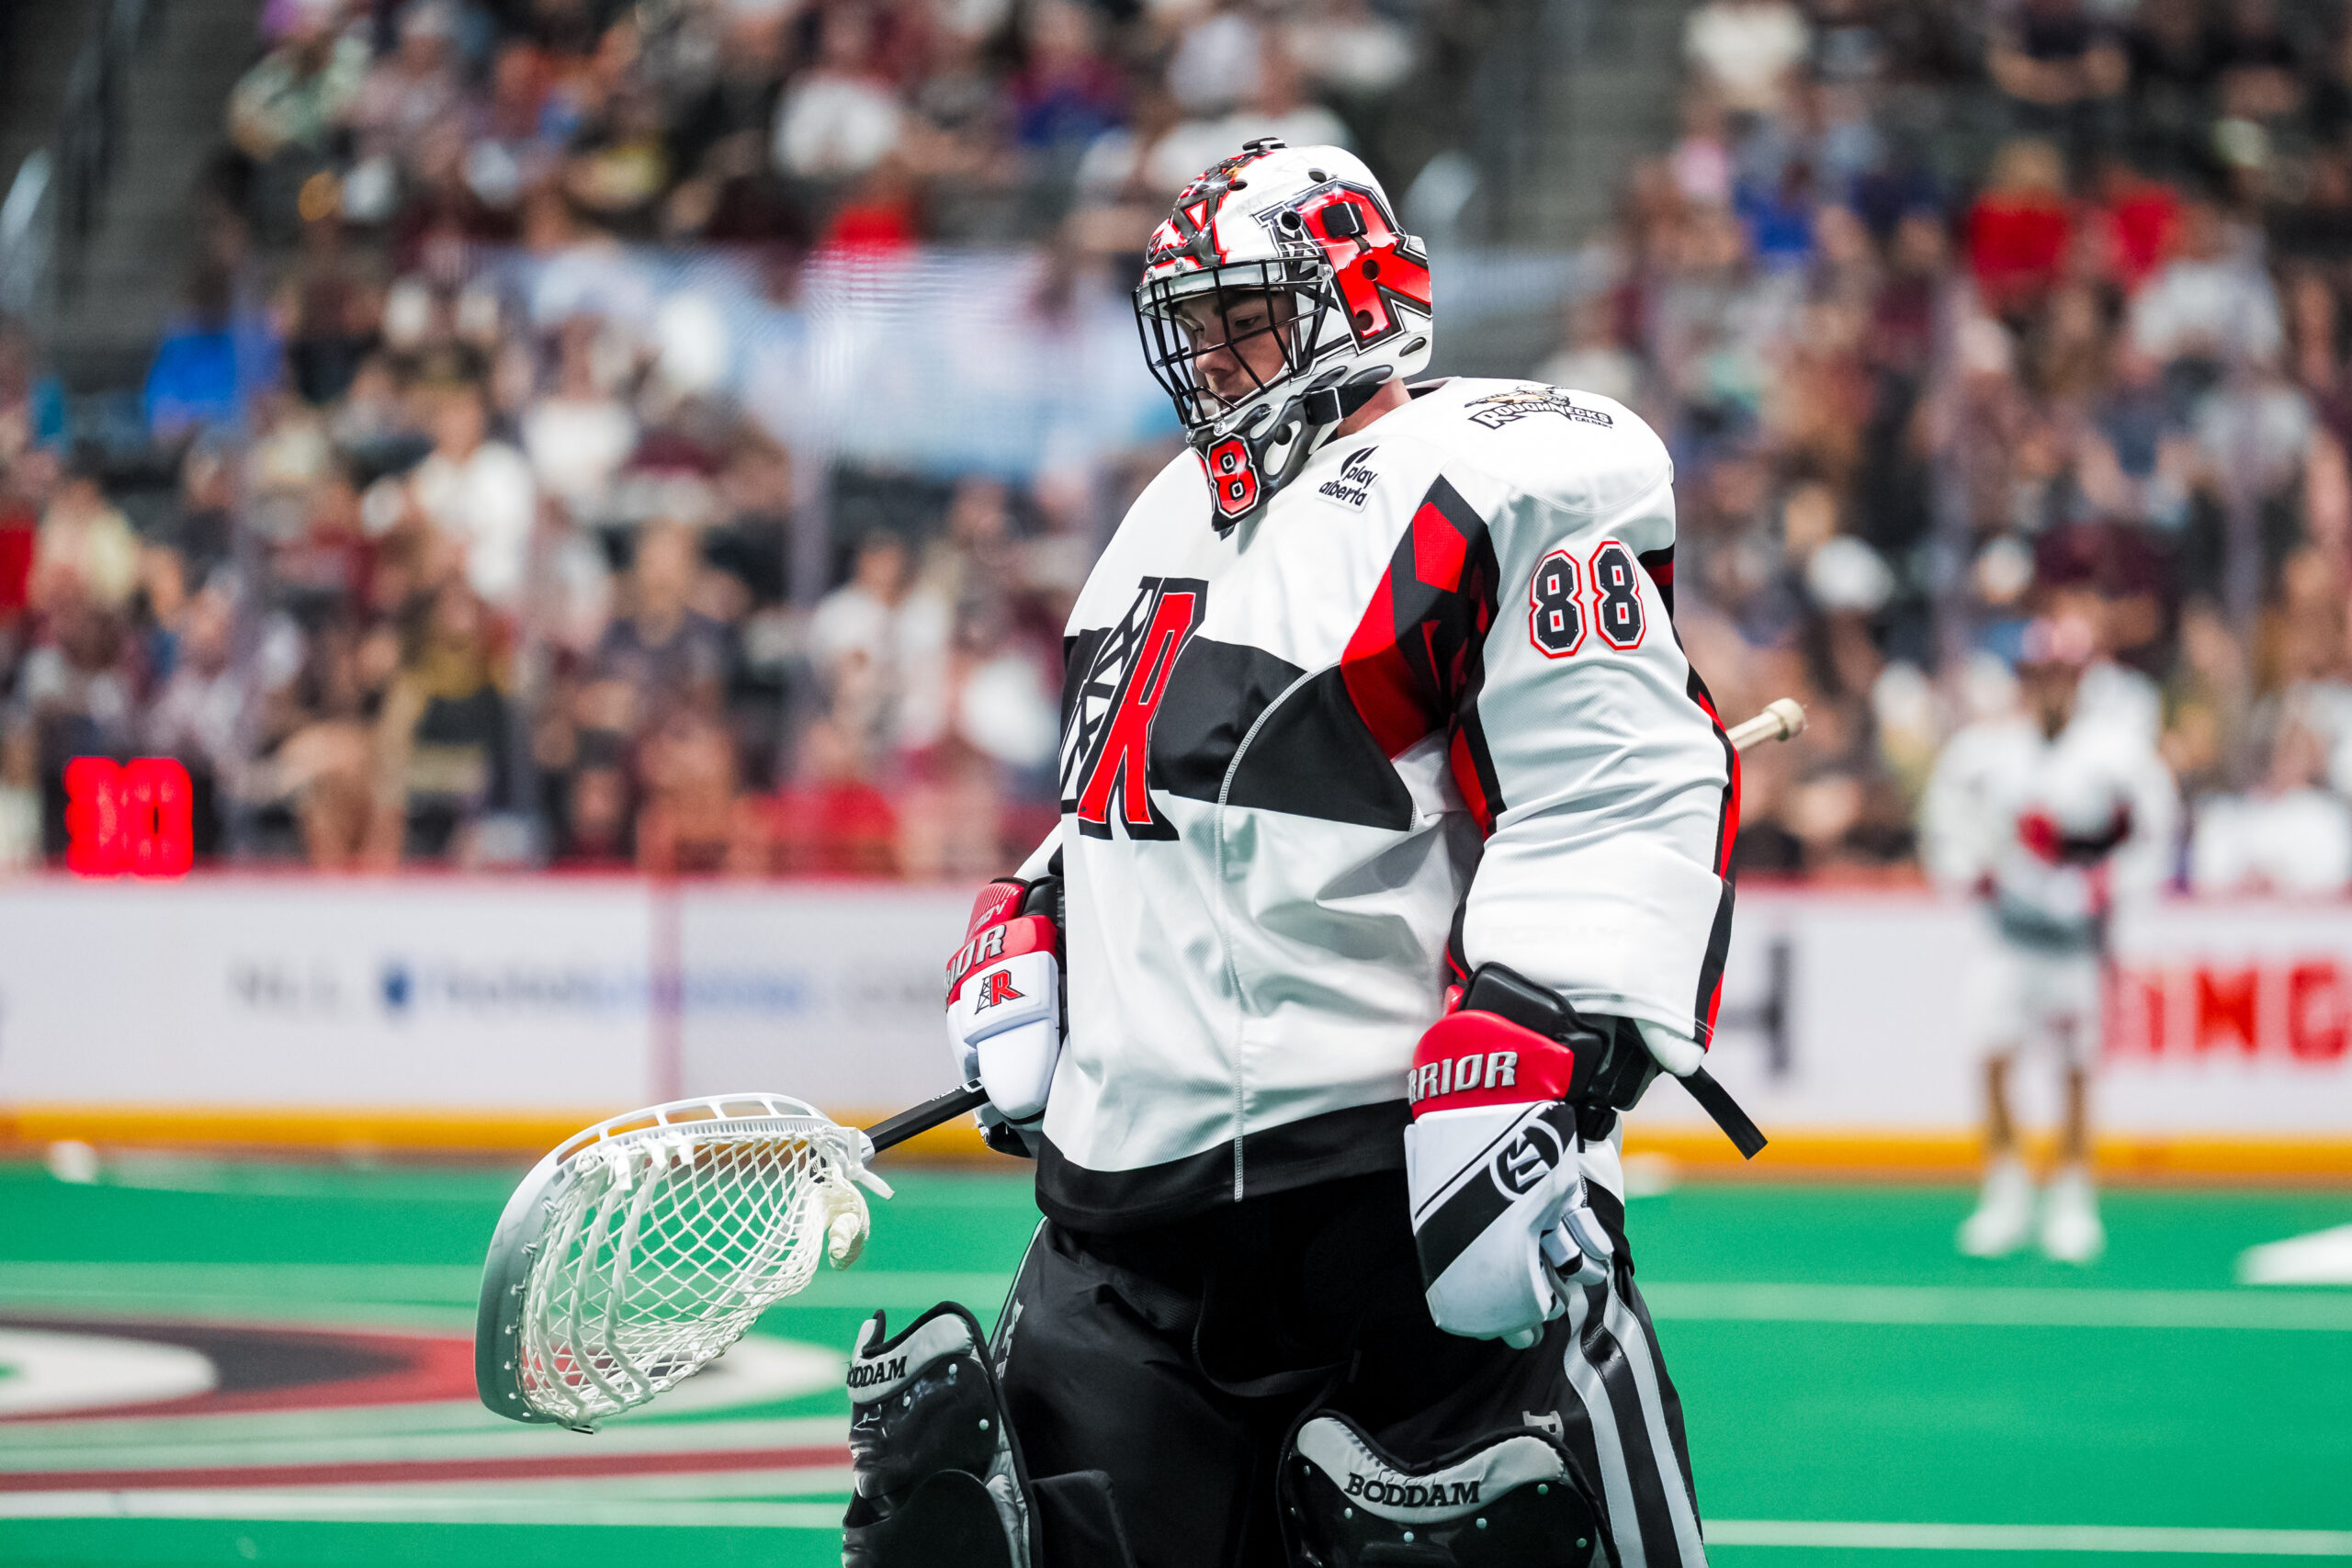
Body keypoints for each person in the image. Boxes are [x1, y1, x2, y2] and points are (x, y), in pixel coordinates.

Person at [841, 141, 1743, 1568]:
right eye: (1188, 323)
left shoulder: (1500, 475)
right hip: (1128, 1218)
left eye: (1241, 313)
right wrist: (1043, 910)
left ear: (1362, 295)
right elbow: (1157, 810)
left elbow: (1621, 782)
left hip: (1394, 1203)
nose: (1207, 354)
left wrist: (1540, 1028)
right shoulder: (1154, 521)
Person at [1921, 615, 2177, 1265]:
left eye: (2064, 673)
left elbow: (2157, 830)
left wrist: (2112, 887)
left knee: (2076, 1067)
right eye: (2042, 674)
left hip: (2076, 943)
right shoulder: (1988, 752)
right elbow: (1944, 820)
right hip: (2009, 935)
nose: (2052, 687)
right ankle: (2006, 1189)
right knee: (1993, 1053)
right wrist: (1967, 872)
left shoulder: (2117, 755)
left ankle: (2071, 1193)